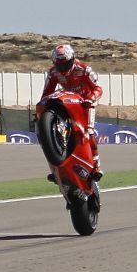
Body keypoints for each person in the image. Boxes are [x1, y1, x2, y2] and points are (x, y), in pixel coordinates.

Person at [41, 44, 104, 180]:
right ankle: (56, 169)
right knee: (47, 133)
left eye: (66, 64)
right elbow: (46, 93)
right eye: (59, 65)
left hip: (85, 103)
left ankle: (97, 166)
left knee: (89, 131)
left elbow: (98, 88)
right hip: (67, 102)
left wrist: (91, 98)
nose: (63, 68)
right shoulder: (53, 73)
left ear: (73, 58)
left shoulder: (85, 69)